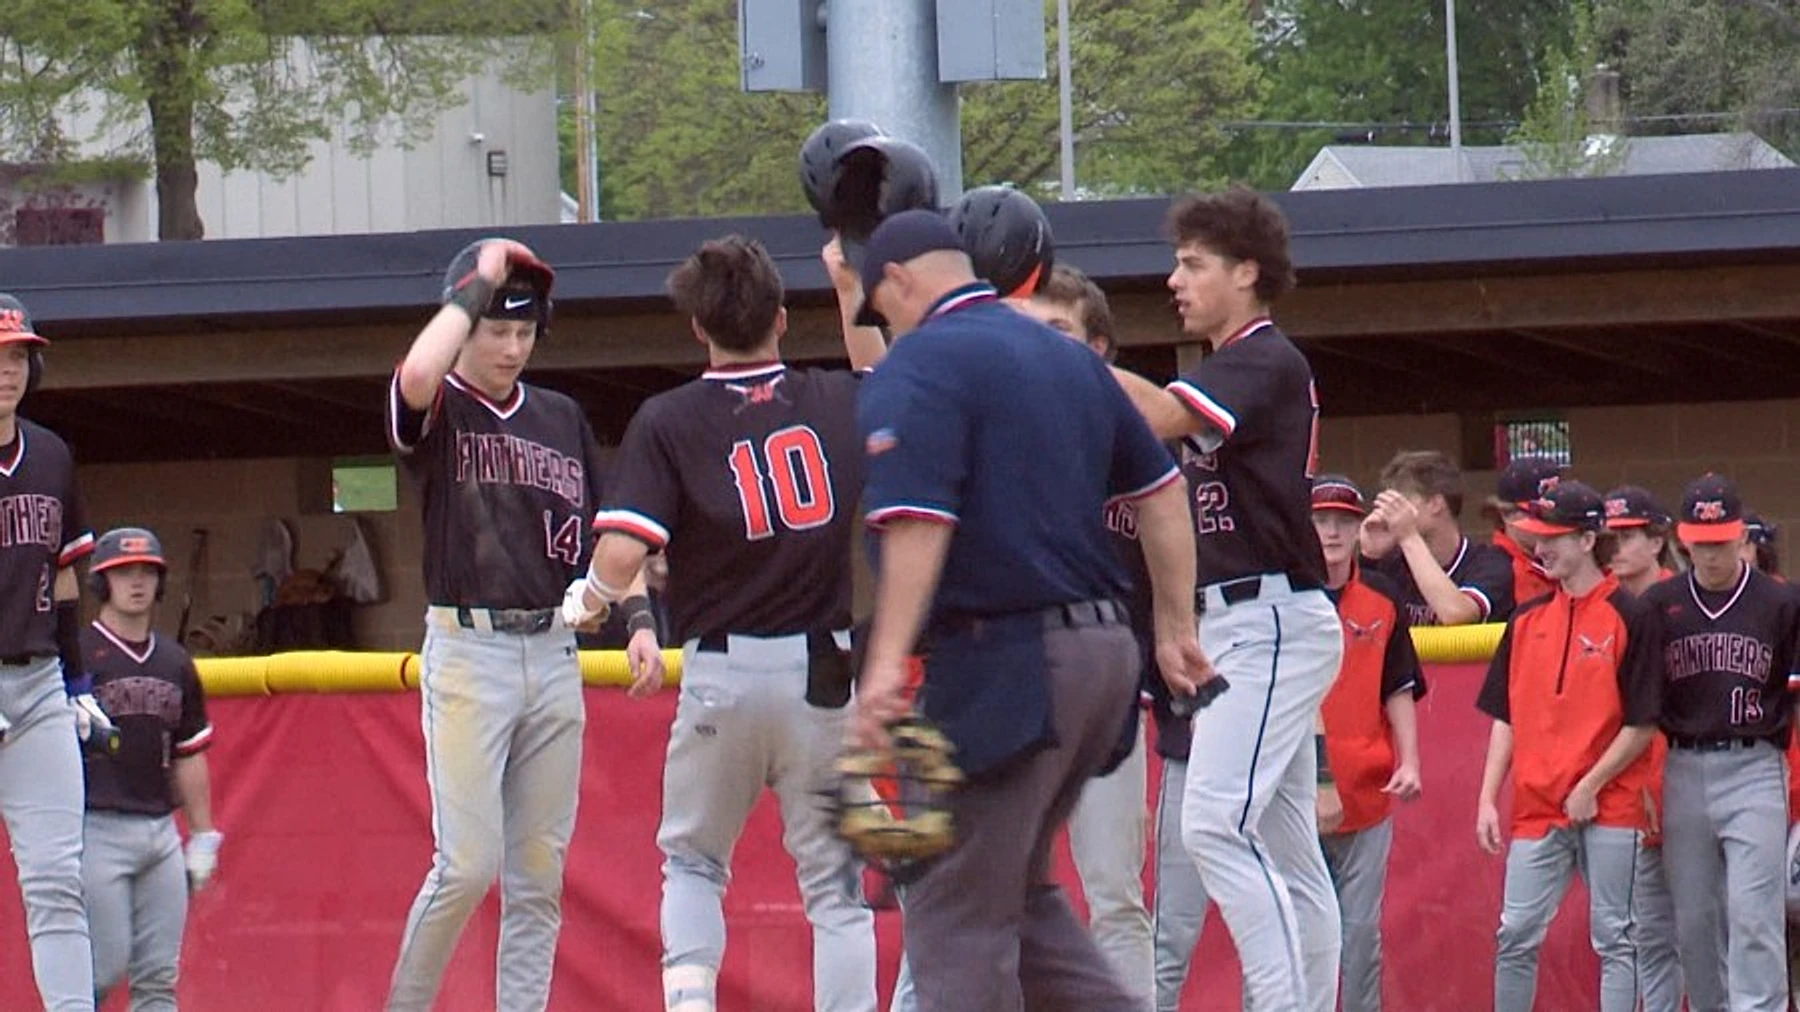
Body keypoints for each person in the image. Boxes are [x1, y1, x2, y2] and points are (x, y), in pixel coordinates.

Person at [844, 209, 1208, 1011]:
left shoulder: (923, 361)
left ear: (899, 279)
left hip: (1011, 657)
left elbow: (919, 522)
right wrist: (1174, 628)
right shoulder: (1067, 355)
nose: (886, 322)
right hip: (1104, 655)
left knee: (952, 909)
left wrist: (884, 668)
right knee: (1018, 898)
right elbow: (1161, 489)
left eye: (880, 306)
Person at [564, 235, 878, 1012]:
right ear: (781, 318)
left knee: (695, 864)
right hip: (822, 668)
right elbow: (883, 376)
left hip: (723, 670)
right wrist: (847, 288)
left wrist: (587, 603)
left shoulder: (670, 418)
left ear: (698, 327)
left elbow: (621, 551)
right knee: (836, 887)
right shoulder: (831, 398)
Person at [383, 238, 659, 1011]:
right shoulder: (443, 405)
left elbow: (613, 535)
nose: (511, 347)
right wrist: (473, 290)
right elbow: (414, 376)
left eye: (524, 331)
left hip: (554, 646)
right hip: (469, 649)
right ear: (464, 323)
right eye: (495, 330)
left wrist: (639, 617)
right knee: (467, 865)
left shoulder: (560, 416)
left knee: (538, 874)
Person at [1106, 187, 1344, 1012]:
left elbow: (1161, 414)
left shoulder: (1262, 354)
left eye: (1193, 263)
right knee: (1289, 851)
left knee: (1211, 824)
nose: (1175, 280)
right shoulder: (1234, 363)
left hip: (1267, 616)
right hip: (1252, 617)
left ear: (1247, 272)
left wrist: (1061, 355)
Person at [1012, 263, 1157, 1011]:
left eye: (1060, 330)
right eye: (1031, 329)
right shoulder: (1000, 426)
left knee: (1113, 889)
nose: (1042, 345)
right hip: (1010, 679)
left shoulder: (1131, 436)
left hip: (1108, 688)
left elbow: (1175, 546)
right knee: (982, 885)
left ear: (1099, 347)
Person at [1474, 479, 1661, 1012]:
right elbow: (1506, 715)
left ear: (1587, 540)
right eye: (1537, 536)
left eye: (1553, 537)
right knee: (1515, 933)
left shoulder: (1631, 614)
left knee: (1615, 937)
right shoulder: (1525, 619)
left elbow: (1642, 723)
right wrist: (1487, 797)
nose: (1541, 547)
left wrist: (1590, 785)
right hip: (1537, 806)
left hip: (1611, 804)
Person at [1642, 473, 1797, 1012]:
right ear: (1683, 540)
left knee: (1754, 916)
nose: (1709, 554)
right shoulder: (1659, 604)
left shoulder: (1781, 602)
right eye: (1700, 543)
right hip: (1682, 767)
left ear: (1742, 536)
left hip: (1755, 766)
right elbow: (1641, 708)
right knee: (1695, 922)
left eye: (1720, 542)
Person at [0, 291, 107, 1012]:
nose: (9, 370)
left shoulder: (50, 455)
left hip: (37, 687)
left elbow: (65, 578)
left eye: (19, 356)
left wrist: (76, 681)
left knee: (57, 879)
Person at [78, 527, 219, 1007]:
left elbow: (189, 751)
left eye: (146, 572)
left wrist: (202, 834)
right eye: (123, 572)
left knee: (158, 975)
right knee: (103, 965)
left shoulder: (175, 661)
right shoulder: (77, 656)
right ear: (102, 582)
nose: (136, 581)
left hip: (160, 831)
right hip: (95, 825)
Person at [1601, 484, 1685, 1012]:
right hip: (1624, 789)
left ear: (1657, 541)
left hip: (1686, 777)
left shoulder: (1685, 601)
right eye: (1609, 537)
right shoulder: (1600, 603)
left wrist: (1655, 782)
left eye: (1628, 536)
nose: (1616, 547)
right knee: (1645, 932)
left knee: (1710, 926)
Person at [1359, 450, 1516, 627]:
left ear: (1435, 504)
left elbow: (1457, 614)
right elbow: (1356, 623)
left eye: (1399, 504)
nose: (1388, 513)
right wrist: (1370, 557)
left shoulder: (1490, 563)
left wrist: (1409, 537)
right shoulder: (1392, 563)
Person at [1485, 456, 1566, 605]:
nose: (1551, 524)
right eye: (1539, 515)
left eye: (1556, 515)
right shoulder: (1495, 571)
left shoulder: (1561, 561)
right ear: (1507, 514)